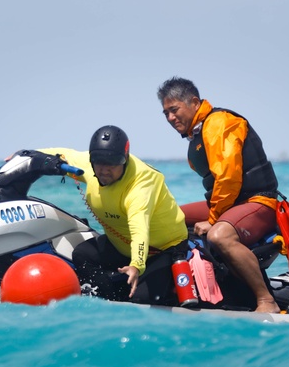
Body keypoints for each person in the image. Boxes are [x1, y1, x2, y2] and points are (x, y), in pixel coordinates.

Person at [156, 77, 282, 313]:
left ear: (194, 102)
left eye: (174, 110)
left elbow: (228, 178)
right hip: (233, 202)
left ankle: (266, 301)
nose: (171, 118)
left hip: (258, 202)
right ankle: (181, 284)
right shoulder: (197, 133)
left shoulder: (218, 123)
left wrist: (213, 219)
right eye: (166, 113)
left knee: (219, 235)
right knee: (169, 217)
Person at [40, 125, 189, 303]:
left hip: (163, 250)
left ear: (124, 159)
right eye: (99, 162)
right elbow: (62, 153)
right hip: (121, 245)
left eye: (112, 163)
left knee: (141, 299)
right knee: (82, 255)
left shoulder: (141, 185)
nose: (104, 169)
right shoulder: (89, 165)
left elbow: (140, 231)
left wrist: (136, 265)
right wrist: (22, 156)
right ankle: (109, 301)